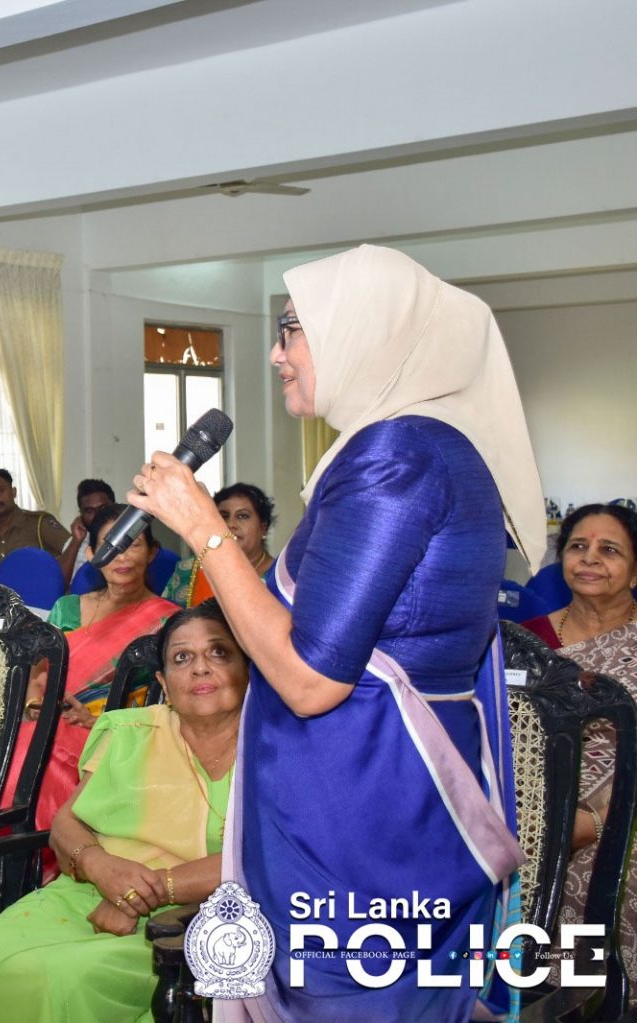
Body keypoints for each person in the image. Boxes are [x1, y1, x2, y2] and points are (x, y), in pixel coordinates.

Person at [129, 244, 540, 1020]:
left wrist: (203, 527)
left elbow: (311, 680)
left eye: (294, 329)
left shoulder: (398, 453)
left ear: (365, 333)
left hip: (365, 802)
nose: (277, 353)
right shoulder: (427, 445)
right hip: (368, 790)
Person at [0, 601, 249, 1023]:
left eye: (218, 653)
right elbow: (67, 822)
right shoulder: (130, 731)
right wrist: (99, 866)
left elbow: (265, 860)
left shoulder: (276, 750)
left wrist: (141, 894)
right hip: (90, 892)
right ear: (164, 683)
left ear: (248, 669)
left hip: (199, 917)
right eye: (182, 658)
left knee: (60, 980)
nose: (200, 668)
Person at [0, 505, 178, 829]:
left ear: (152, 552)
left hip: (117, 739)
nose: (122, 556)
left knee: (37, 759)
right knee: (20, 749)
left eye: (134, 545)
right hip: (48, 724)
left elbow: (173, 707)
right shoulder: (67, 609)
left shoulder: (169, 621)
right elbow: (37, 674)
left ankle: (33, 849)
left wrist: (96, 721)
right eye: (111, 546)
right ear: (93, 554)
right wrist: (34, 705)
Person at [520, 503, 637, 976]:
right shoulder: (526, 642)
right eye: (578, 546)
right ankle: (542, 989)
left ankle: (604, 993)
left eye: (609, 550)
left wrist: (597, 819)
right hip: (534, 807)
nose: (590, 558)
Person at [0, 468, 70, 602]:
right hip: (1, 608)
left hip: (43, 605)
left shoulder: (39, 524)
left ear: (13, 492)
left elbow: (75, 552)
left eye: (0, 491)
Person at [161, 482, 278, 607]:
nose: (230, 524)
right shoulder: (189, 570)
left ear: (263, 527)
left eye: (242, 516)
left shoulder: (280, 575)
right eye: (224, 516)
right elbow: (167, 615)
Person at [64, 479, 115, 584]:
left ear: (114, 506)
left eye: (103, 508)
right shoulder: (77, 542)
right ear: (81, 515)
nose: (98, 516)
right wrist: (76, 541)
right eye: (89, 511)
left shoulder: (131, 536)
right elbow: (58, 584)